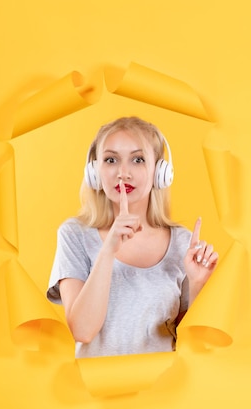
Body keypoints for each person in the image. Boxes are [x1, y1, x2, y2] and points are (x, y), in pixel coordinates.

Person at [46, 116, 218, 358]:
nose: (123, 173)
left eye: (138, 160)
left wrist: (198, 284)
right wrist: (108, 251)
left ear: (160, 172)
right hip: (96, 391)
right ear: (94, 171)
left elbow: (190, 342)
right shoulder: (74, 235)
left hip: (166, 390)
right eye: (111, 160)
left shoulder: (183, 243)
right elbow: (83, 331)